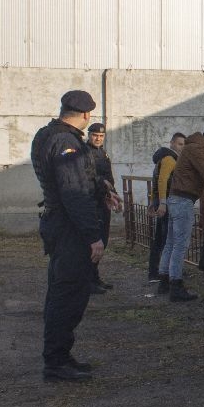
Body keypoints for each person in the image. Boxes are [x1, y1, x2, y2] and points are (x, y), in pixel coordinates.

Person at [30, 90, 107, 382]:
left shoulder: (45, 135)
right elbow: (74, 192)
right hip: (69, 228)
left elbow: (72, 180)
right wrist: (93, 236)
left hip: (57, 223)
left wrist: (102, 189)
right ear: (86, 115)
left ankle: (60, 356)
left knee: (61, 292)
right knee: (69, 295)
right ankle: (56, 361)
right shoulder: (67, 142)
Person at [156, 127, 204, 302]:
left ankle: (163, 280)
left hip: (176, 199)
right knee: (180, 244)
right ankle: (176, 285)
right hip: (183, 200)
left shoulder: (192, 147)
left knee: (171, 242)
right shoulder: (196, 149)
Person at [85, 123, 121, 293]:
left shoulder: (103, 153)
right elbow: (89, 177)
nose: (98, 139)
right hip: (92, 203)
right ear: (89, 135)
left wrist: (114, 195)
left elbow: (109, 177)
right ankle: (88, 281)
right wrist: (103, 185)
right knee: (93, 243)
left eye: (101, 136)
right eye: (95, 135)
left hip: (104, 202)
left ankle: (94, 277)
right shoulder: (85, 152)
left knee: (103, 241)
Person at [147, 133, 186, 282]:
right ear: (172, 143)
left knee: (160, 238)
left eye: (184, 145)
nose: (182, 147)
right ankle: (162, 271)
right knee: (166, 238)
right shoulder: (170, 158)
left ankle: (155, 271)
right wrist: (163, 202)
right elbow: (162, 180)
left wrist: (153, 201)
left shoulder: (162, 158)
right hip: (167, 202)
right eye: (180, 144)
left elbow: (155, 181)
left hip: (161, 200)